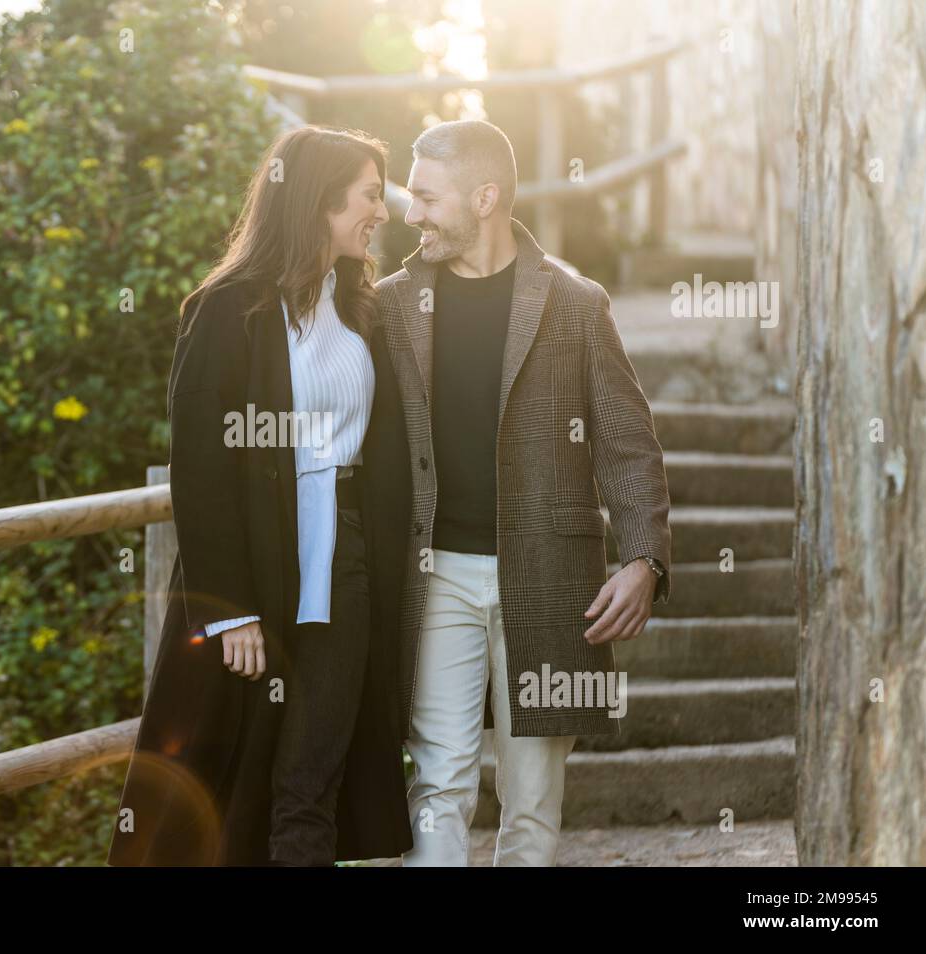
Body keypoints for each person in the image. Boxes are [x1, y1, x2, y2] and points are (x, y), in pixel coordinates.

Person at [108, 126, 413, 866]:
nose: (382, 211)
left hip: (346, 565)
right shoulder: (227, 309)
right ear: (319, 201)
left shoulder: (362, 307)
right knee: (226, 782)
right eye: (370, 195)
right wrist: (230, 610)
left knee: (312, 777)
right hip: (256, 567)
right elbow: (201, 470)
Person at [375, 119, 673, 866]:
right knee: (438, 786)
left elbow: (628, 445)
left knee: (533, 806)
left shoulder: (576, 304)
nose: (411, 214)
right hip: (432, 576)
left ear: (484, 197)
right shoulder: (387, 304)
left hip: (551, 581)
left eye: (426, 196)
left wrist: (645, 559)